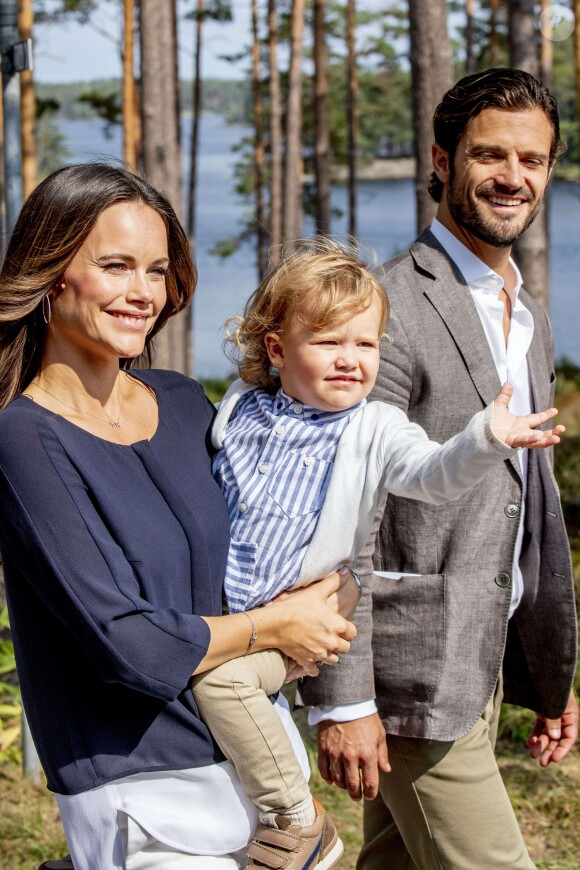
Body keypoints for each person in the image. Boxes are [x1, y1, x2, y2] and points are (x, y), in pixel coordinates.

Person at [0, 163, 360, 870]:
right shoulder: (21, 437)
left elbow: (260, 553)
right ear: (52, 273)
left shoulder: (186, 401)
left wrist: (326, 596)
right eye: (115, 266)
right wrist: (277, 627)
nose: (142, 292)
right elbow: (128, 644)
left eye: (157, 270)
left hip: (261, 770)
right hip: (144, 793)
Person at [192, 239, 566, 870]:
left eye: (365, 344)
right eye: (328, 342)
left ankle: (294, 815)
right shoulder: (239, 410)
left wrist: (485, 439)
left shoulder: (374, 428)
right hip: (234, 618)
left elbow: (432, 473)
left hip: (291, 636)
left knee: (220, 683)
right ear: (277, 350)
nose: (350, 360)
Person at [301, 68, 580, 870]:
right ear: (442, 158)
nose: (512, 177)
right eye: (489, 154)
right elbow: (341, 515)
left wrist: (550, 674)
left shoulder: (527, 314)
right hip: (407, 681)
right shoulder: (385, 308)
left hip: (479, 670)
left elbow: (523, 516)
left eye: (532, 160)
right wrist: (343, 698)